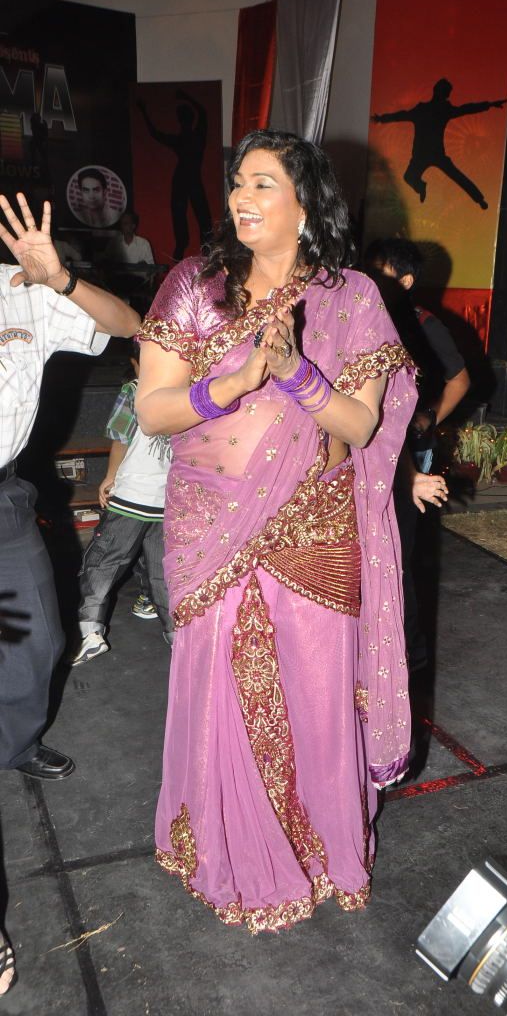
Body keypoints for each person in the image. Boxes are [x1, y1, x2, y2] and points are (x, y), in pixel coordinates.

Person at [135, 129, 415, 932]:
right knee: (222, 689)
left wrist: (294, 373)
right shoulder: (196, 286)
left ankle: (321, 851)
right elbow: (154, 409)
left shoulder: (351, 297)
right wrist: (235, 382)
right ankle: (234, 854)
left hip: (314, 524)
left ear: (306, 204)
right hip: (211, 525)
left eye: (263, 183)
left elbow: (360, 426)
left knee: (317, 689)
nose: (241, 197)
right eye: (237, 182)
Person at [0, 193, 140, 780]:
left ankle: (15, 743)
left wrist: (60, 279)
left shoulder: (20, 290)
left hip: (4, 497)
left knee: (38, 637)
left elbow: (129, 325)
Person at [364, 237, 468, 672]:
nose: (369, 279)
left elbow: (459, 380)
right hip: (369, 447)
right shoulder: (364, 318)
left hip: (407, 450)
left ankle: (409, 654)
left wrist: (429, 416)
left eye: (380, 271)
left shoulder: (425, 324)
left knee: (397, 551)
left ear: (405, 281)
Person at [71, 346, 173, 666]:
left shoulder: (134, 390)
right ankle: (176, 634)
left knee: (102, 562)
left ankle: (89, 632)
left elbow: (120, 438)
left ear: (134, 362)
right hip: (169, 498)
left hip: (132, 496)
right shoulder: (187, 389)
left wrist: (110, 476)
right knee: (164, 570)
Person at [371, 78, 507, 207]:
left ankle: (479, 199)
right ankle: (422, 187)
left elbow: (466, 108)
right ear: (442, 93)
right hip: (426, 154)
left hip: (429, 154)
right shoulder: (433, 109)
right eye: (445, 93)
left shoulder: (432, 109)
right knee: (412, 177)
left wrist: (489, 105)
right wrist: (489, 105)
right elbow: (401, 115)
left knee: (418, 177)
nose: (445, 96)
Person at [137, 90, 212, 259]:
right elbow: (155, 134)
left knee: (201, 216)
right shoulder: (185, 138)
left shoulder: (196, 135)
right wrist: (143, 112)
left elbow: (203, 113)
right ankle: (181, 248)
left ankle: (203, 250)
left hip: (190, 178)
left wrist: (187, 97)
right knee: (181, 215)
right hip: (182, 179)